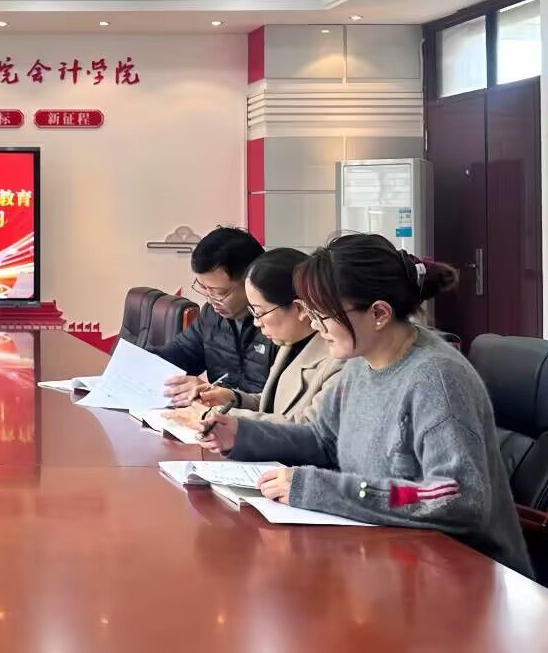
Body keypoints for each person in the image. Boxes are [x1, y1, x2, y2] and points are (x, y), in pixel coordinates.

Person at [199, 234, 533, 577]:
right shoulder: (360, 364)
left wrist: (319, 489)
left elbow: (453, 497)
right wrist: (242, 434)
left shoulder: (436, 379)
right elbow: (322, 438)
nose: (314, 326)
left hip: (462, 573)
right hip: (391, 557)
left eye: (323, 315)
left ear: (378, 313)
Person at [175, 248, 343, 425]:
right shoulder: (290, 344)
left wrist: (217, 415)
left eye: (260, 312)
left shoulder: (338, 360)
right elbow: (274, 406)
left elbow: (307, 429)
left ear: (299, 309)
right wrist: (233, 398)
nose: (256, 322)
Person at [152, 226, 274, 405]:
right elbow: (183, 352)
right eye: (203, 288)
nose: (210, 299)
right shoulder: (211, 314)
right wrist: (145, 362)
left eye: (219, 292)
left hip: (254, 419)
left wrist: (219, 395)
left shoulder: (277, 323)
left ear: (252, 281)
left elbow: (283, 404)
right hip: (215, 415)